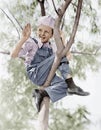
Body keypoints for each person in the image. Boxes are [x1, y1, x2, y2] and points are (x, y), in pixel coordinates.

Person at [11, 15, 89, 112]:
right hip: (35, 73)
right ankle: (71, 84)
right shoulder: (32, 43)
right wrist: (23, 38)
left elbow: (68, 57)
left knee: (64, 86)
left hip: (47, 76)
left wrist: (62, 38)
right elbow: (13, 55)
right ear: (37, 30)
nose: (42, 34)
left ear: (52, 35)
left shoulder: (52, 47)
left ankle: (41, 93)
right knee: (59, 54)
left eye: (46, 32)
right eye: (40, 30)